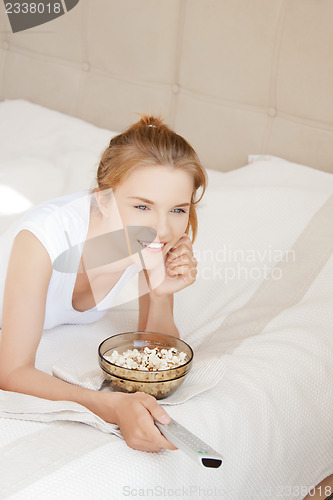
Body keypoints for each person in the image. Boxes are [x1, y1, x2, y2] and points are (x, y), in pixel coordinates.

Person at [0, 114, 207, 452]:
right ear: (104, 199)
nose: (164, 229)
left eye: (178, 210)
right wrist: (107, 405)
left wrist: (159, 290)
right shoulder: (42, 241)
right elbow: (12, 372)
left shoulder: (148, 243)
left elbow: (156, 356)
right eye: (142, 206)